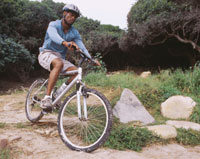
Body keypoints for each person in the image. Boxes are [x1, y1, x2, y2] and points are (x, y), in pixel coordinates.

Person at [38, 4, 100, 109]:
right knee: (58, 63)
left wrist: (91, 59)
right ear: (64, 13)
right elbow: (53, 36)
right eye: (71, 15)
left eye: (75, 17)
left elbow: (82, 47)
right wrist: (65, 43)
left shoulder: (74, 32)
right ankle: (47, 98)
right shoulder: (53, 25)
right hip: (46, 53)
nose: (73, 18)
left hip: (60, 58)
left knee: (76, 73)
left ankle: (56, 95)